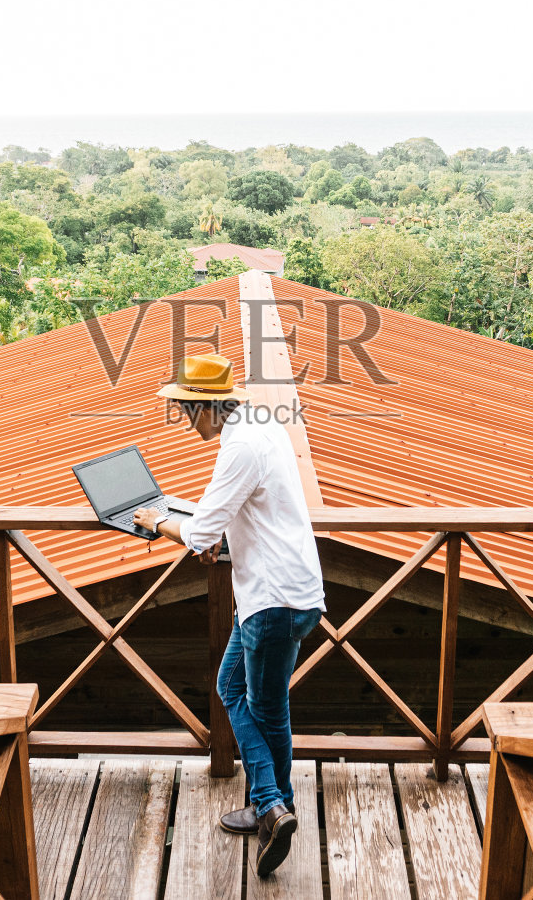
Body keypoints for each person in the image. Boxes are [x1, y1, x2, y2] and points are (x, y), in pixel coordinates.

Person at [133, 352, 325, 878]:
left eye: (186, 410)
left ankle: (269, 805)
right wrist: (212, 531)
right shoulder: (262, 431)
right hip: (294, 590)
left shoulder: (238, 447)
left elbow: (197, 535)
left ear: (207, 406)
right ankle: (274, 805)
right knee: (245, 694)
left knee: (257, 705)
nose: (185, 420)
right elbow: (247, 510)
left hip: (273, 599)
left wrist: (156, 520)